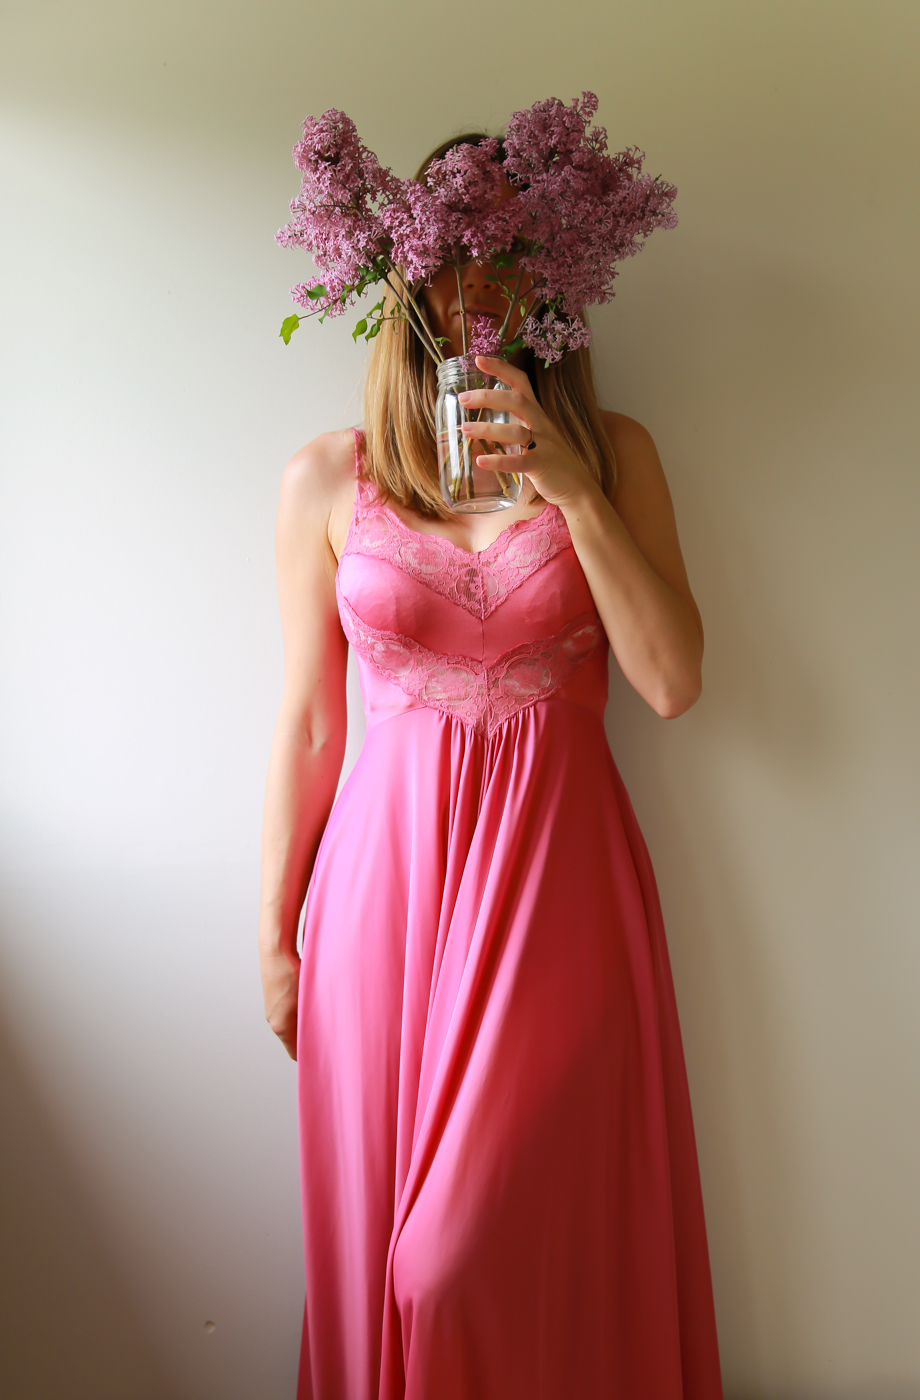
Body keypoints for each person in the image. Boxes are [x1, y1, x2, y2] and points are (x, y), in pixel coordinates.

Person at [258, 135, 723, 1400]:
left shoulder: (613, 452)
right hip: (381, 905)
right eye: (455, 248)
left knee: (452, 1262)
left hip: (556, 895)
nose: (479, 280)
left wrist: (571, 489)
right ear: (405, 267)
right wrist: (276, 936)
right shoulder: (324, 478)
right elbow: (311, 722)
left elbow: (670, 681)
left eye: (513, 249)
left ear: (554, 272)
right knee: (381, 1251)